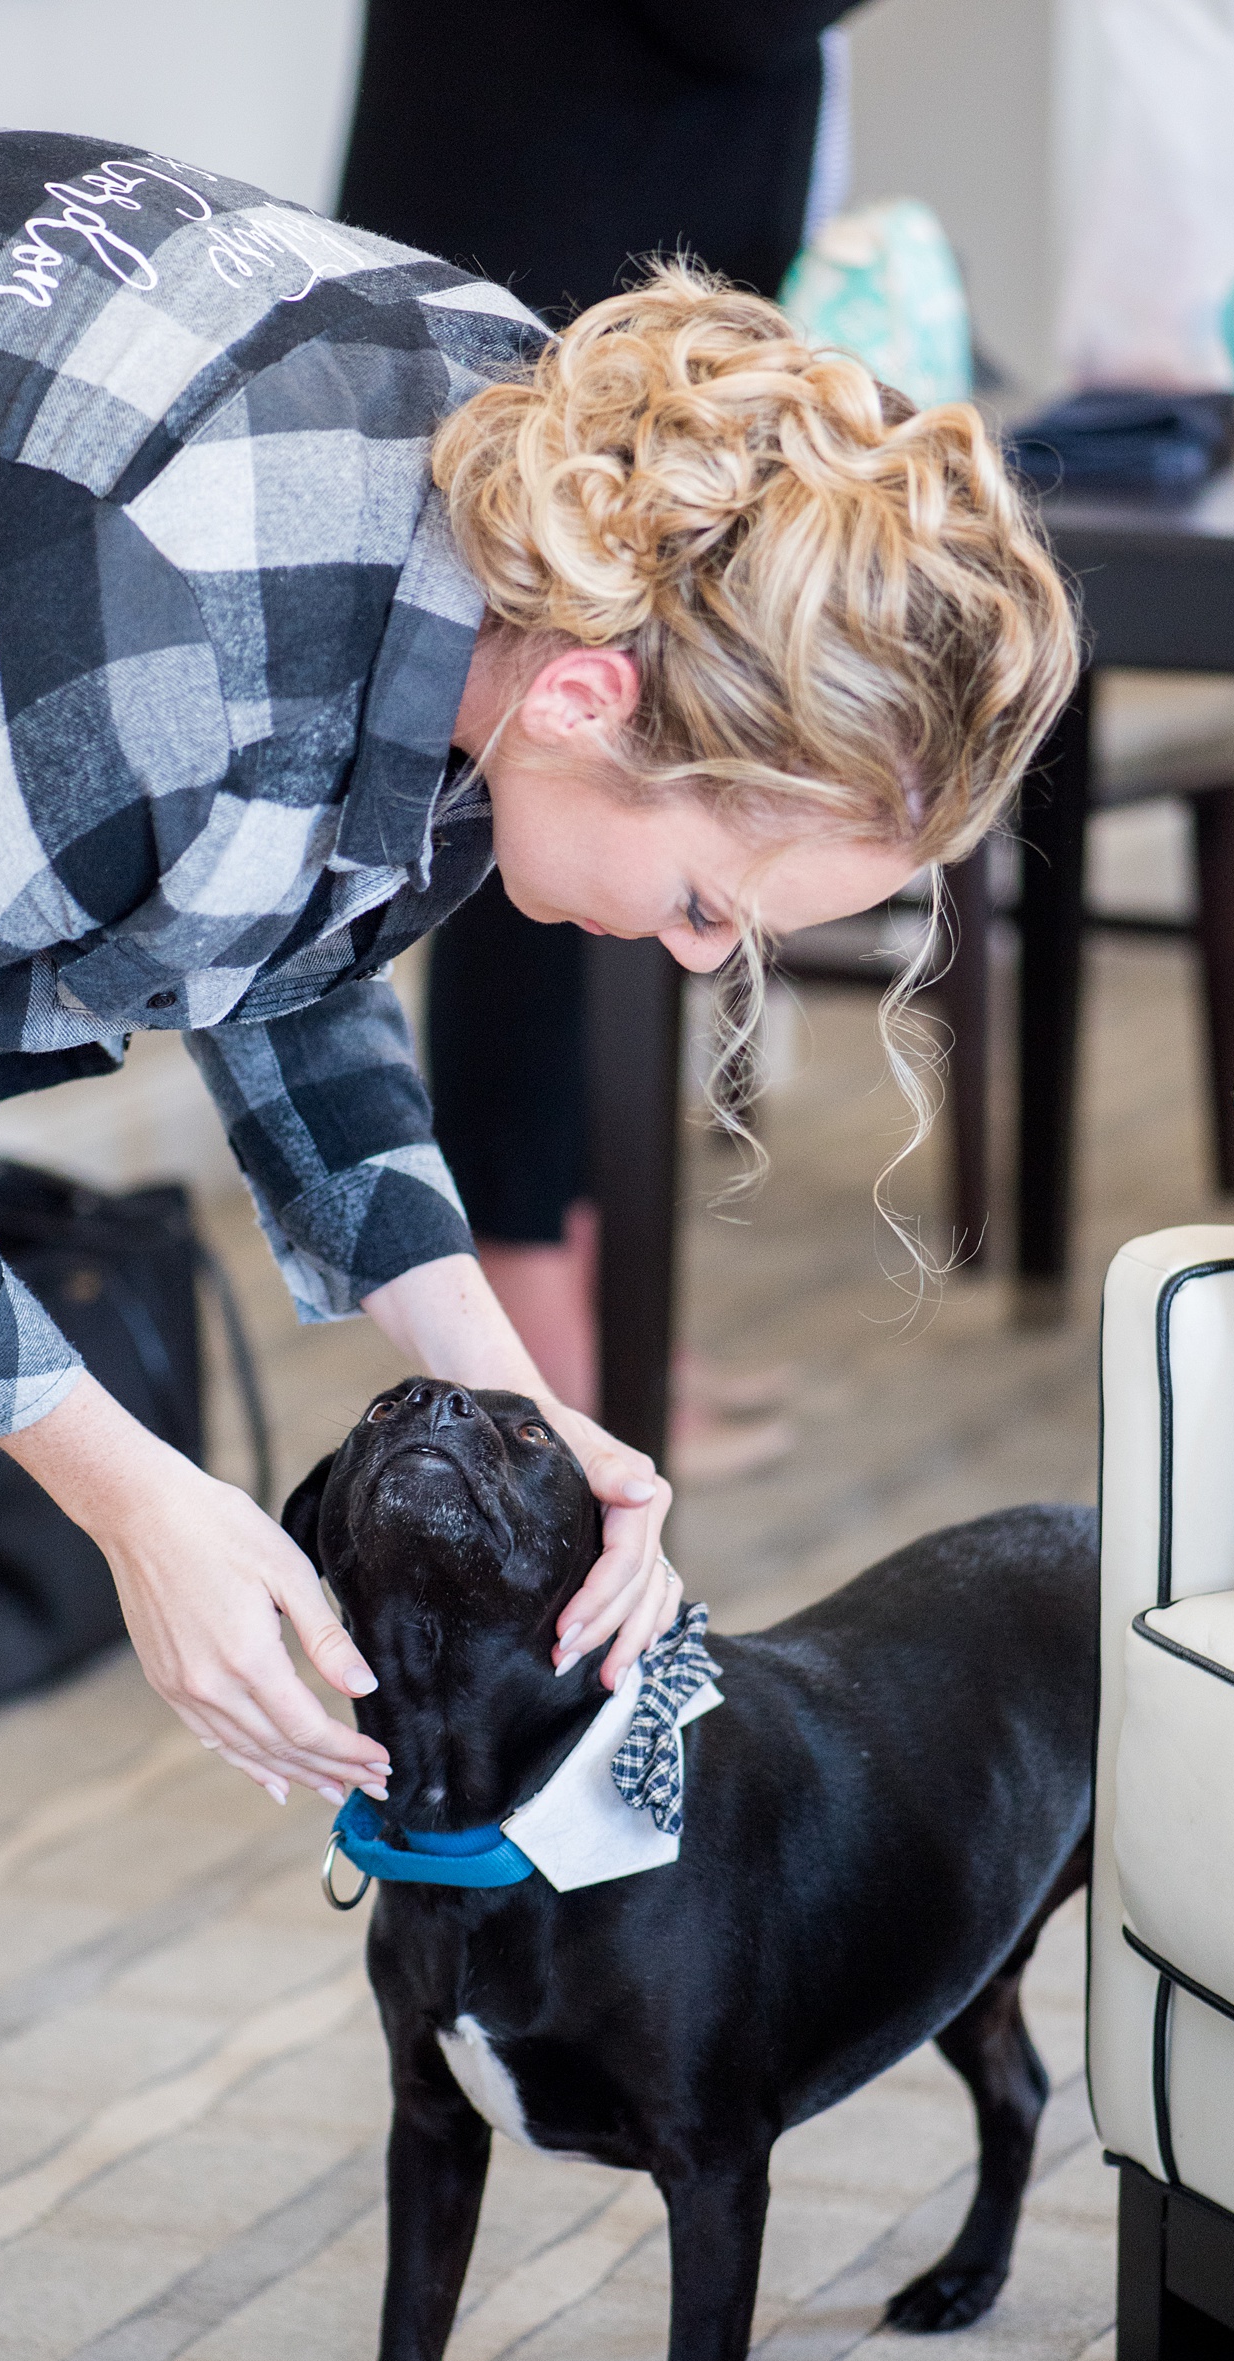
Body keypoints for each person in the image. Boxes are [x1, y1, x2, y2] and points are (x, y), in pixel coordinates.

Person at [0, 124, 1075, 2361]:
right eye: (705, 898)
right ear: (594, 694)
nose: (700, 961)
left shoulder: (539, 515)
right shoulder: (162, 602)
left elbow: (275, 934)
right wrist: (127, 1484)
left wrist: (502, 1384)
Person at [340, 0, 854, 1453]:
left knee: (597, 819)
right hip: (550, 234)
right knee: (548, 795)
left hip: (611, 228)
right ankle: (531, 1307)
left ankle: (578, 1285)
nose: (722, 945)